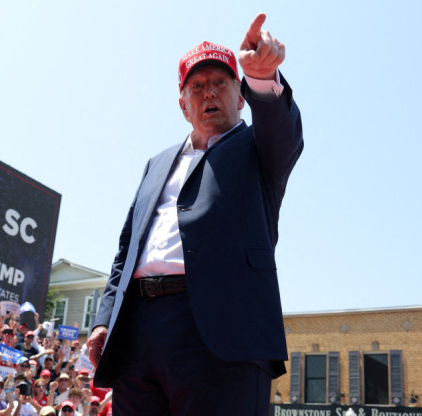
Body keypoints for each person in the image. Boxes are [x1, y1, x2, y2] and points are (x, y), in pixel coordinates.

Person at [86, 13, 303, 416]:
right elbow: (126, 252)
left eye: (222, 83)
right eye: (198, 86)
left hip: (223, 335)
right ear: (183, 104)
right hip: (137, 334)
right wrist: (105, 319)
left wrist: (262, 77)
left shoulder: (259, 151)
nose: (210, 94)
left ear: (241, 97)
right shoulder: (157, 163)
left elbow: (282, 130)